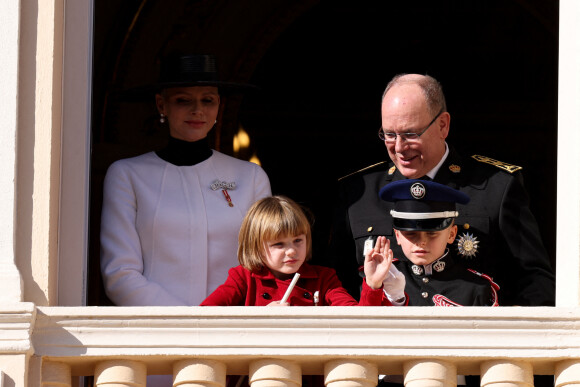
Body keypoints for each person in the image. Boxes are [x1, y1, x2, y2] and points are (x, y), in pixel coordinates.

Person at [328, 73, 554, 306]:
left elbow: (535, 280)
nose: (399, 147)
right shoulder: (357, 192)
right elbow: (333, 283)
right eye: (389, 134)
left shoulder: (497, 187)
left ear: (443, 125)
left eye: (410, 134)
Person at [100, 53, 271, 307]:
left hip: (233, 330)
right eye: (183, 100)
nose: (198, 110)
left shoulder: (250, 177)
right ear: (161, 105)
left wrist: (225, 321)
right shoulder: (127, 174)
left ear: (219, 105)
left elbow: (266, 262)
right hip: (159, 331)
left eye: (208, 100)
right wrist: (185, 322)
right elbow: (119, 274)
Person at [201, 195, 392, 306]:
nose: (291, 251)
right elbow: (205, 316)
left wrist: (373, 284)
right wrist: (259, 320)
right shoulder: (242, 278)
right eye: (279, 244)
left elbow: (358, 323)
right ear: (255, 246)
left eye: (298, 240)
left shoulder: (324, 278)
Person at [379, 179, 499, 307]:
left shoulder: (475, 288)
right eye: (411, 234)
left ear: (451, 234)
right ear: (397, 235)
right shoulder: (384, 279)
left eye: (432, 233)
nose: (421, 242)